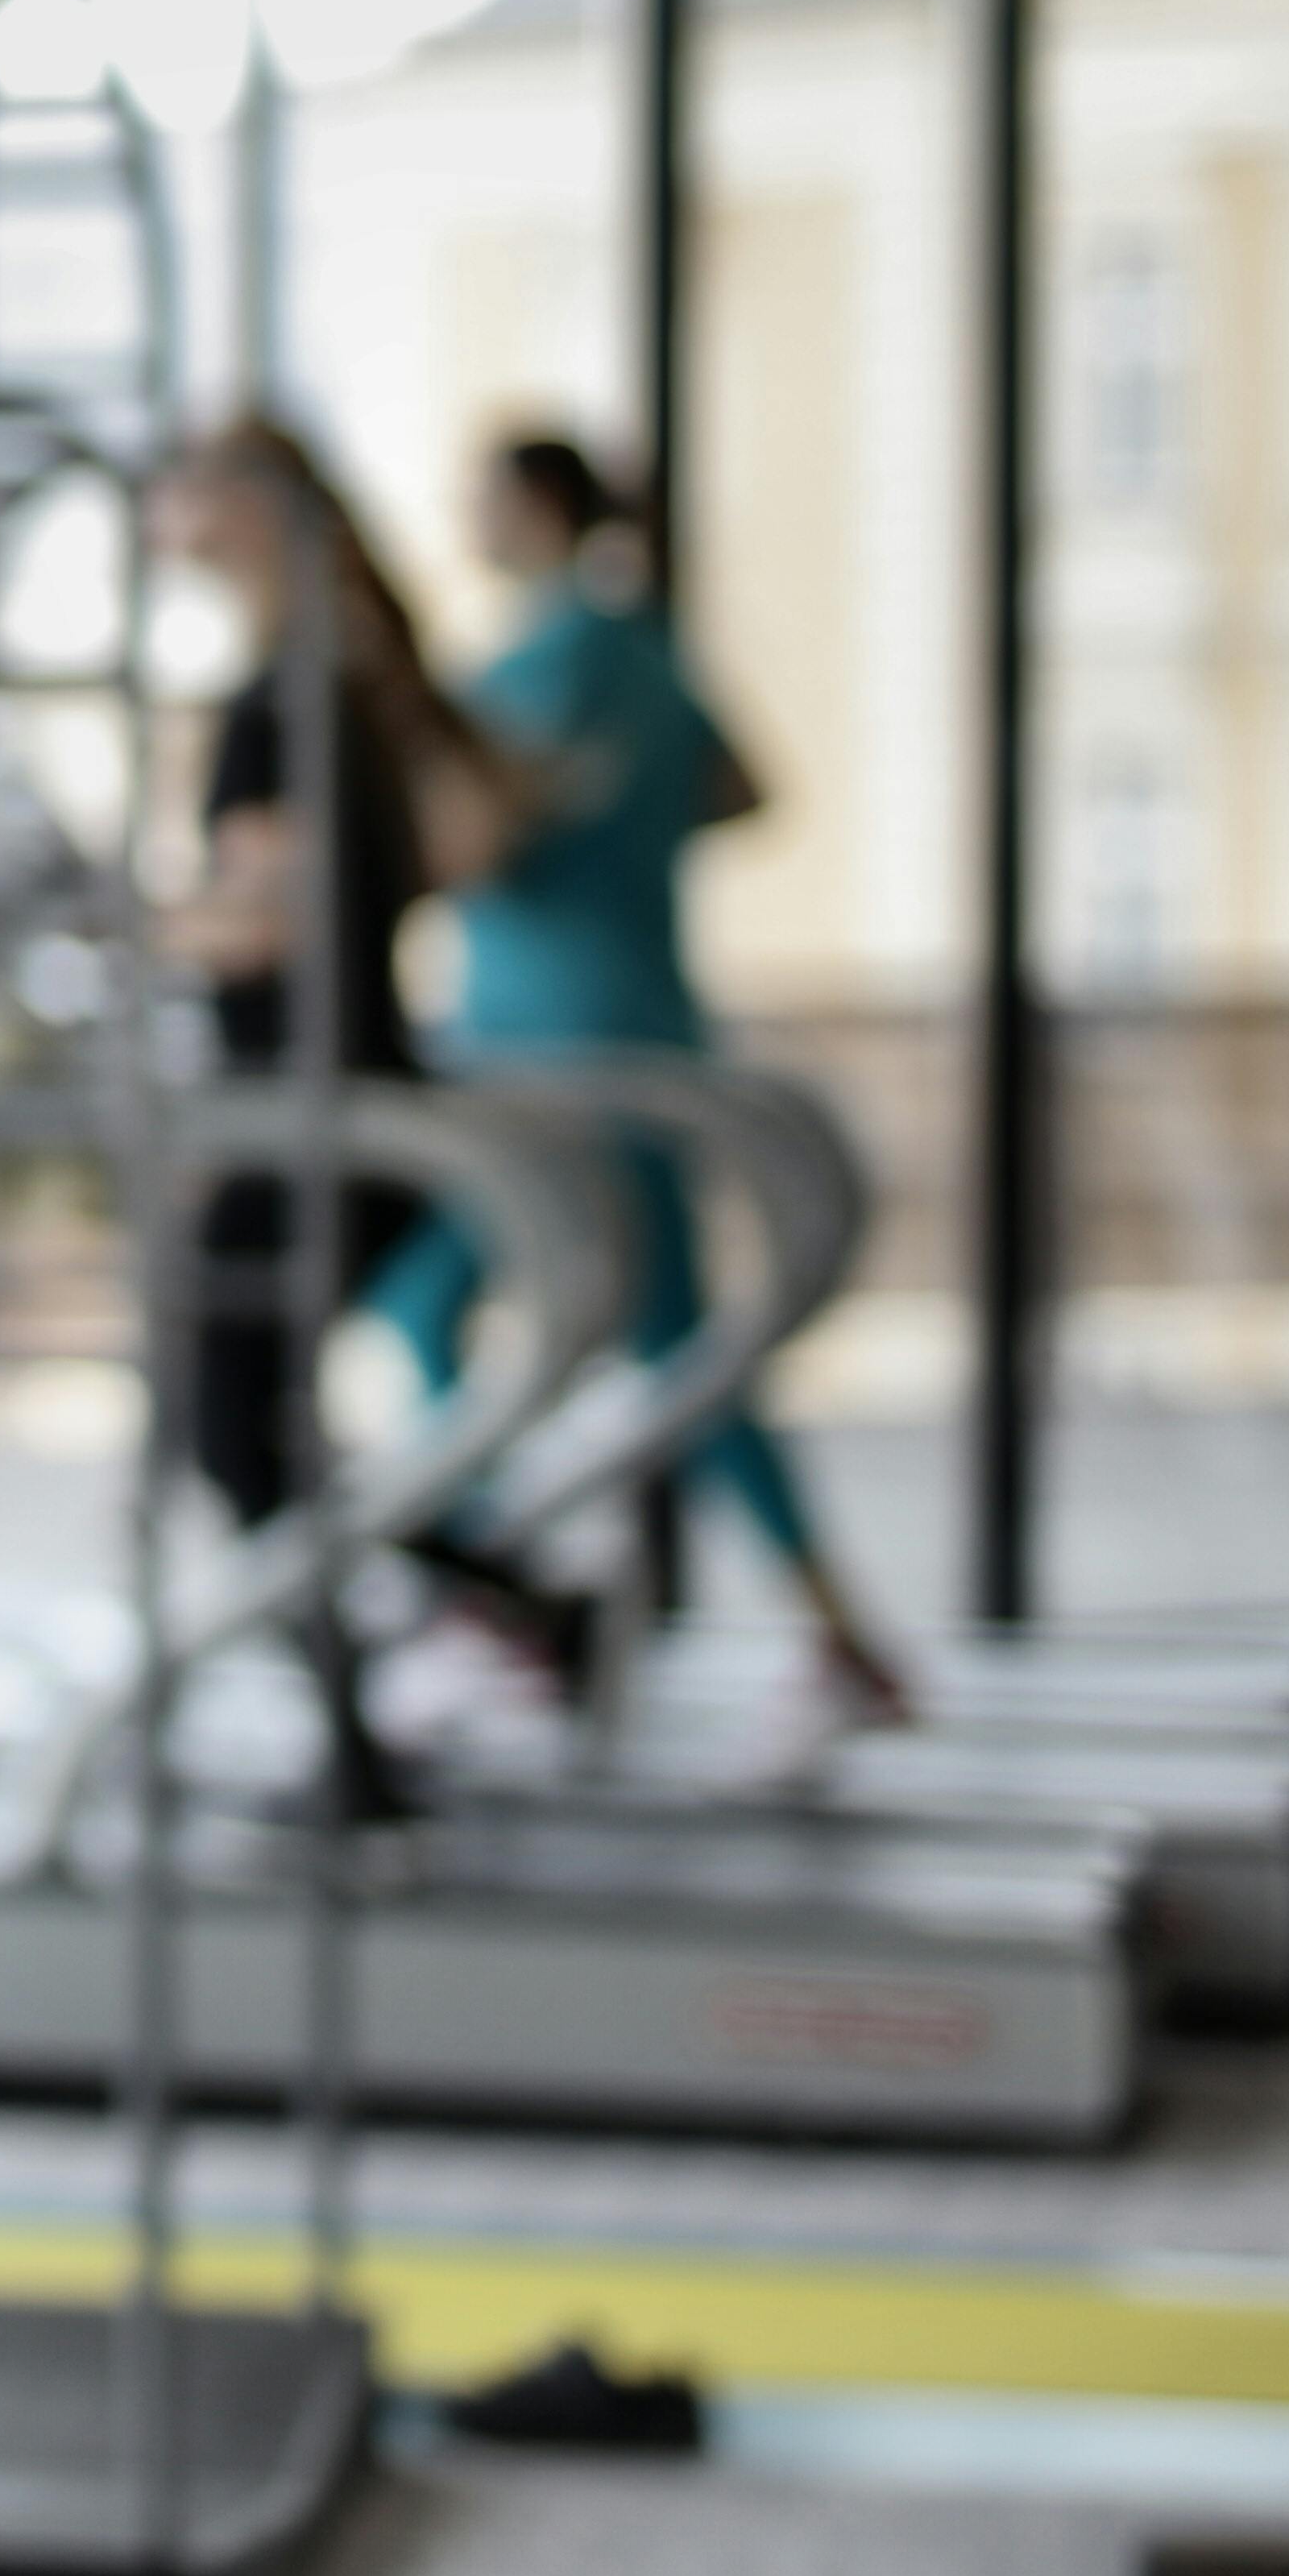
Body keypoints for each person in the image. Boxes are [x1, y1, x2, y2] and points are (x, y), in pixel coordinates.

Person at [371, 433, 912, 1720]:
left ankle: (493, 1580)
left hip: (543, 1046)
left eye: (482, 502)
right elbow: (743, 790)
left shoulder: (536, 662)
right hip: (645, 1016)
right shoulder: (647, 649)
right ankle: (824, 1627)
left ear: (539, 508)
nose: (466, 524)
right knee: (668, 1338)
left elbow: (475, 843)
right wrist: (625, 824)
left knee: (436, 1303)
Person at [145, 420, 526, 1800]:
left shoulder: (277, 702)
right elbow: (446, 852)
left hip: (318, 1123)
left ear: (240, 512)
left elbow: (267, 920)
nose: (155, 514)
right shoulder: (348, 682)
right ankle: (509, 1599)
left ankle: (360, 1740)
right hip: (358, 1109)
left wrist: (131, 927)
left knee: (233, 1426)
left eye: (177, 487)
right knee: (264, 1425)